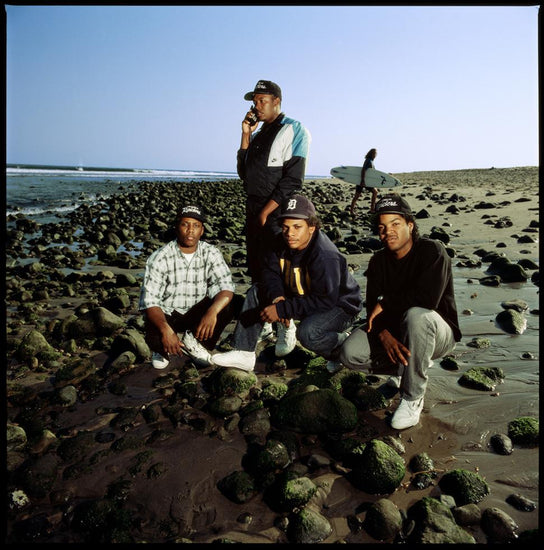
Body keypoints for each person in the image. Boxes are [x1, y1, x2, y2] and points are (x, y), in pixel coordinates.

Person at [339, 194, 462, 429]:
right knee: (349, 352)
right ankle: (408, 365)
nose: (388, 232)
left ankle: (412, 397)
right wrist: (383, 334)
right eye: (382, 227)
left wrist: (386, 303)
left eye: (395, 224)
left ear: (410, 225)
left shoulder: (432, 251)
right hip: (396, 330)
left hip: (438, 333)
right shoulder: (377, 262)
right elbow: (372, 308)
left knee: (417, 315)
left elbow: (428, 299)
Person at [211, 195, 363, 373]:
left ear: (311, 227)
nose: (289, 233)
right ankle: (244, 352)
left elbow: (325, 300)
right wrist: (277, 297)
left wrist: (282, 310)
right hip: (303, 293)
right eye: (285, 227)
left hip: (340, 306)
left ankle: (339, 346)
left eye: (297, 227)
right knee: (257, 291)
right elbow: (269, 272)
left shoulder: (324, 255)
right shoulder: (280, 241)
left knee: (308, 333)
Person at [238, 79, 312, 356]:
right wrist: (246, 134)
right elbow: (244, 174)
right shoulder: (258, 135)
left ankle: (286, 325)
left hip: (276, 212)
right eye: (254, 102)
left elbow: (293, 180)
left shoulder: (294, 129)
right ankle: (265, 322)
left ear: (276, 101)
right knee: (257, 268)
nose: (256, 106)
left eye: (261, 101)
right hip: (253, 208)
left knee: (278, 271)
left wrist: (267, 212)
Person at [139, 204, 239, 369]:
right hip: (169, 314)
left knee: (230, 303)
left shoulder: (211, 253)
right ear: (177, 227)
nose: (190, 230)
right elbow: (149, 301)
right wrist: (165, 330)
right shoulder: (159, 257)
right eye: (185, 224)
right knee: (155, 337)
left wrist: (212, 312)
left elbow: (226, 286)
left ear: (202, 230)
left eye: (196, 225)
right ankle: (164, 347)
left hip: (196, 314)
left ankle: (194, 342)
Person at [349, 148, 378, 215]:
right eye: (374, 153)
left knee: (375, 192)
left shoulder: (371, 161)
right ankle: (351, 211)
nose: (375, 155)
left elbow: (371, 173)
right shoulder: (368, 161)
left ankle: (372, 209)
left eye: (375, 154)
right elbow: (363, 170)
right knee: (357, 196)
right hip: (363, 181)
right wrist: (362, 180)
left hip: (367, 181)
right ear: (371, 153)